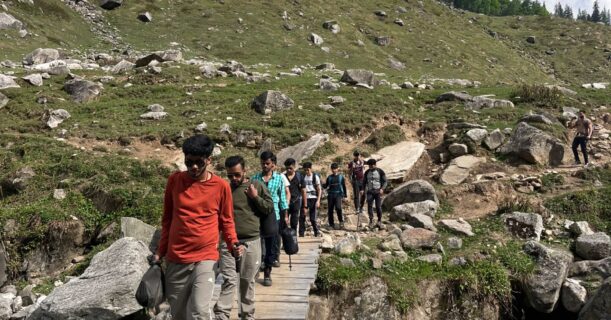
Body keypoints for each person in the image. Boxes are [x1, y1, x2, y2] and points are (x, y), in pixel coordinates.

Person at [153, 135, 243, 320]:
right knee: (178, 314)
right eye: (189, 162)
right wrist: (160, 252)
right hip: (177, 258)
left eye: (199, 162)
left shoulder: (221, 186)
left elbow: (226, 221)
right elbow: (167, 219)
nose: (194, 167)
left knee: (199, 311)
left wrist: (233, 243)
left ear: (208, 160)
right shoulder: (174, 181)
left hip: (206, 257)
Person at [214, 156, 274, 320]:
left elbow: (269, 208)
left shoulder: (257, 186)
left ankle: (247, 315)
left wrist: (255, 197)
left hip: (251, 241)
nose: (234, 179)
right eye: (230, 175)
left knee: (247, 280)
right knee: (229, 280)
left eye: (237, 175)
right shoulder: (224, 189)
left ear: (245, 171)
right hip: (228, 242)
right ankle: (221, 315)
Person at [251, 151, 288, 287]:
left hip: (274, 215)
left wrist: (285, 215)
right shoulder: (255, 178)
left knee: (271, 244)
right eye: (262, 163)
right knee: (256, 244)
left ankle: (267, 271)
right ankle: (255, 269)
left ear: (273, 164)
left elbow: (282, 198)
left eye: (267, 163)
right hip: (257, 216)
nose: (264, 166)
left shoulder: (278, 179)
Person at [361, 158, 387, 229]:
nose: (371, 167)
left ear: (375, 165)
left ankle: (379, 220)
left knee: (378, 206)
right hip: (370, 191)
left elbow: (385, 181)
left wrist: (382, 189)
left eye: (372, 165)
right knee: (369, 206)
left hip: (378, 191)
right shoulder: (366, 172)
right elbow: (364, 182)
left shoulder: (380, 171)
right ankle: (371, 221)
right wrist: (362, 189)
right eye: (369, 166)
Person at [283, 158, 306, 231]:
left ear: (294, 167)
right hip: (285, 203)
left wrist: (305, 206)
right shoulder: (283, 177)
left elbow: (304, 191)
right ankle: (284, 240)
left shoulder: (299, 177)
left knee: (294, 222)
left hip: (296, 202)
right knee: (284, 222)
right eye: (287, 168)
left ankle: (293, 240)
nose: (288, 170)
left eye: (290, 168)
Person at [323, 163, 347, 230]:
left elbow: (344, 186)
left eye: (335, 169)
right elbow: (326, 186)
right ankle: (331, 224)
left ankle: (341, 222)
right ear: (331, 169)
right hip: (330, 195)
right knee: (330, 210)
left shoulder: (341, 177)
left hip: (338, 194)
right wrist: (320, 184)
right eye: (333, 169)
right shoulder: (329, 177)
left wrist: (345, 195)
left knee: (338, 208)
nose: (334, 170)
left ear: (337, 169)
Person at [301, 162, 321, 237]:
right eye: (305, 170)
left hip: (313, 198)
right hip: (305, 198)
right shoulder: (303, 177)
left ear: (311, 168)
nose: (306, 171)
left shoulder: (315, 177)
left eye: (308, 170)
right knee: (303, 216)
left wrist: (318, 200)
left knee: (313, 218)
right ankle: (301, 233)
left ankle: (316, 231)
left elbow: (319, 189)